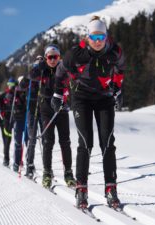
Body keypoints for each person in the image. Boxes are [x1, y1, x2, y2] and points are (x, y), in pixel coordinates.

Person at [51, 16, 125, 208]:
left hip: (104, 99)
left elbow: (120, 70)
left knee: (107, 142)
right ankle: (81, 189)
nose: (98, 41)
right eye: (94, 37)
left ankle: (111, 189)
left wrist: (117, 89)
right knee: (85, 143)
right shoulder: (76, 53)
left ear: (106, 36)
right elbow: (60, 72)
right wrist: (58, 95)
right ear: (88, 37)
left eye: (101, 37)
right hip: (81, 98)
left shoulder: (115, 51)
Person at [26, 46, 75, 188]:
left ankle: (68, 173)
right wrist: (38, 65)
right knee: (48, 141)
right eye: (50, 57)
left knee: (65, 141)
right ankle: (47, 172)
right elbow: (31, 76)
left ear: (59, 57)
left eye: (55, 57)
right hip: (46, 108)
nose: (53, 60)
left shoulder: (63, 69)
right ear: (46, 57)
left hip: (61, 108)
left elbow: (71, 82)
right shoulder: (42, 69)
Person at [0, 78, 17, 167]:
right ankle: (6, 159)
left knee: (18, 140)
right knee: (7, 140)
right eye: (9, 85)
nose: (10, 87)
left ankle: (18, 160)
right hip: (7, 119)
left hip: (16, 118)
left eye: (12, 85)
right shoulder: (4, 95)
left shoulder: (17, 94)